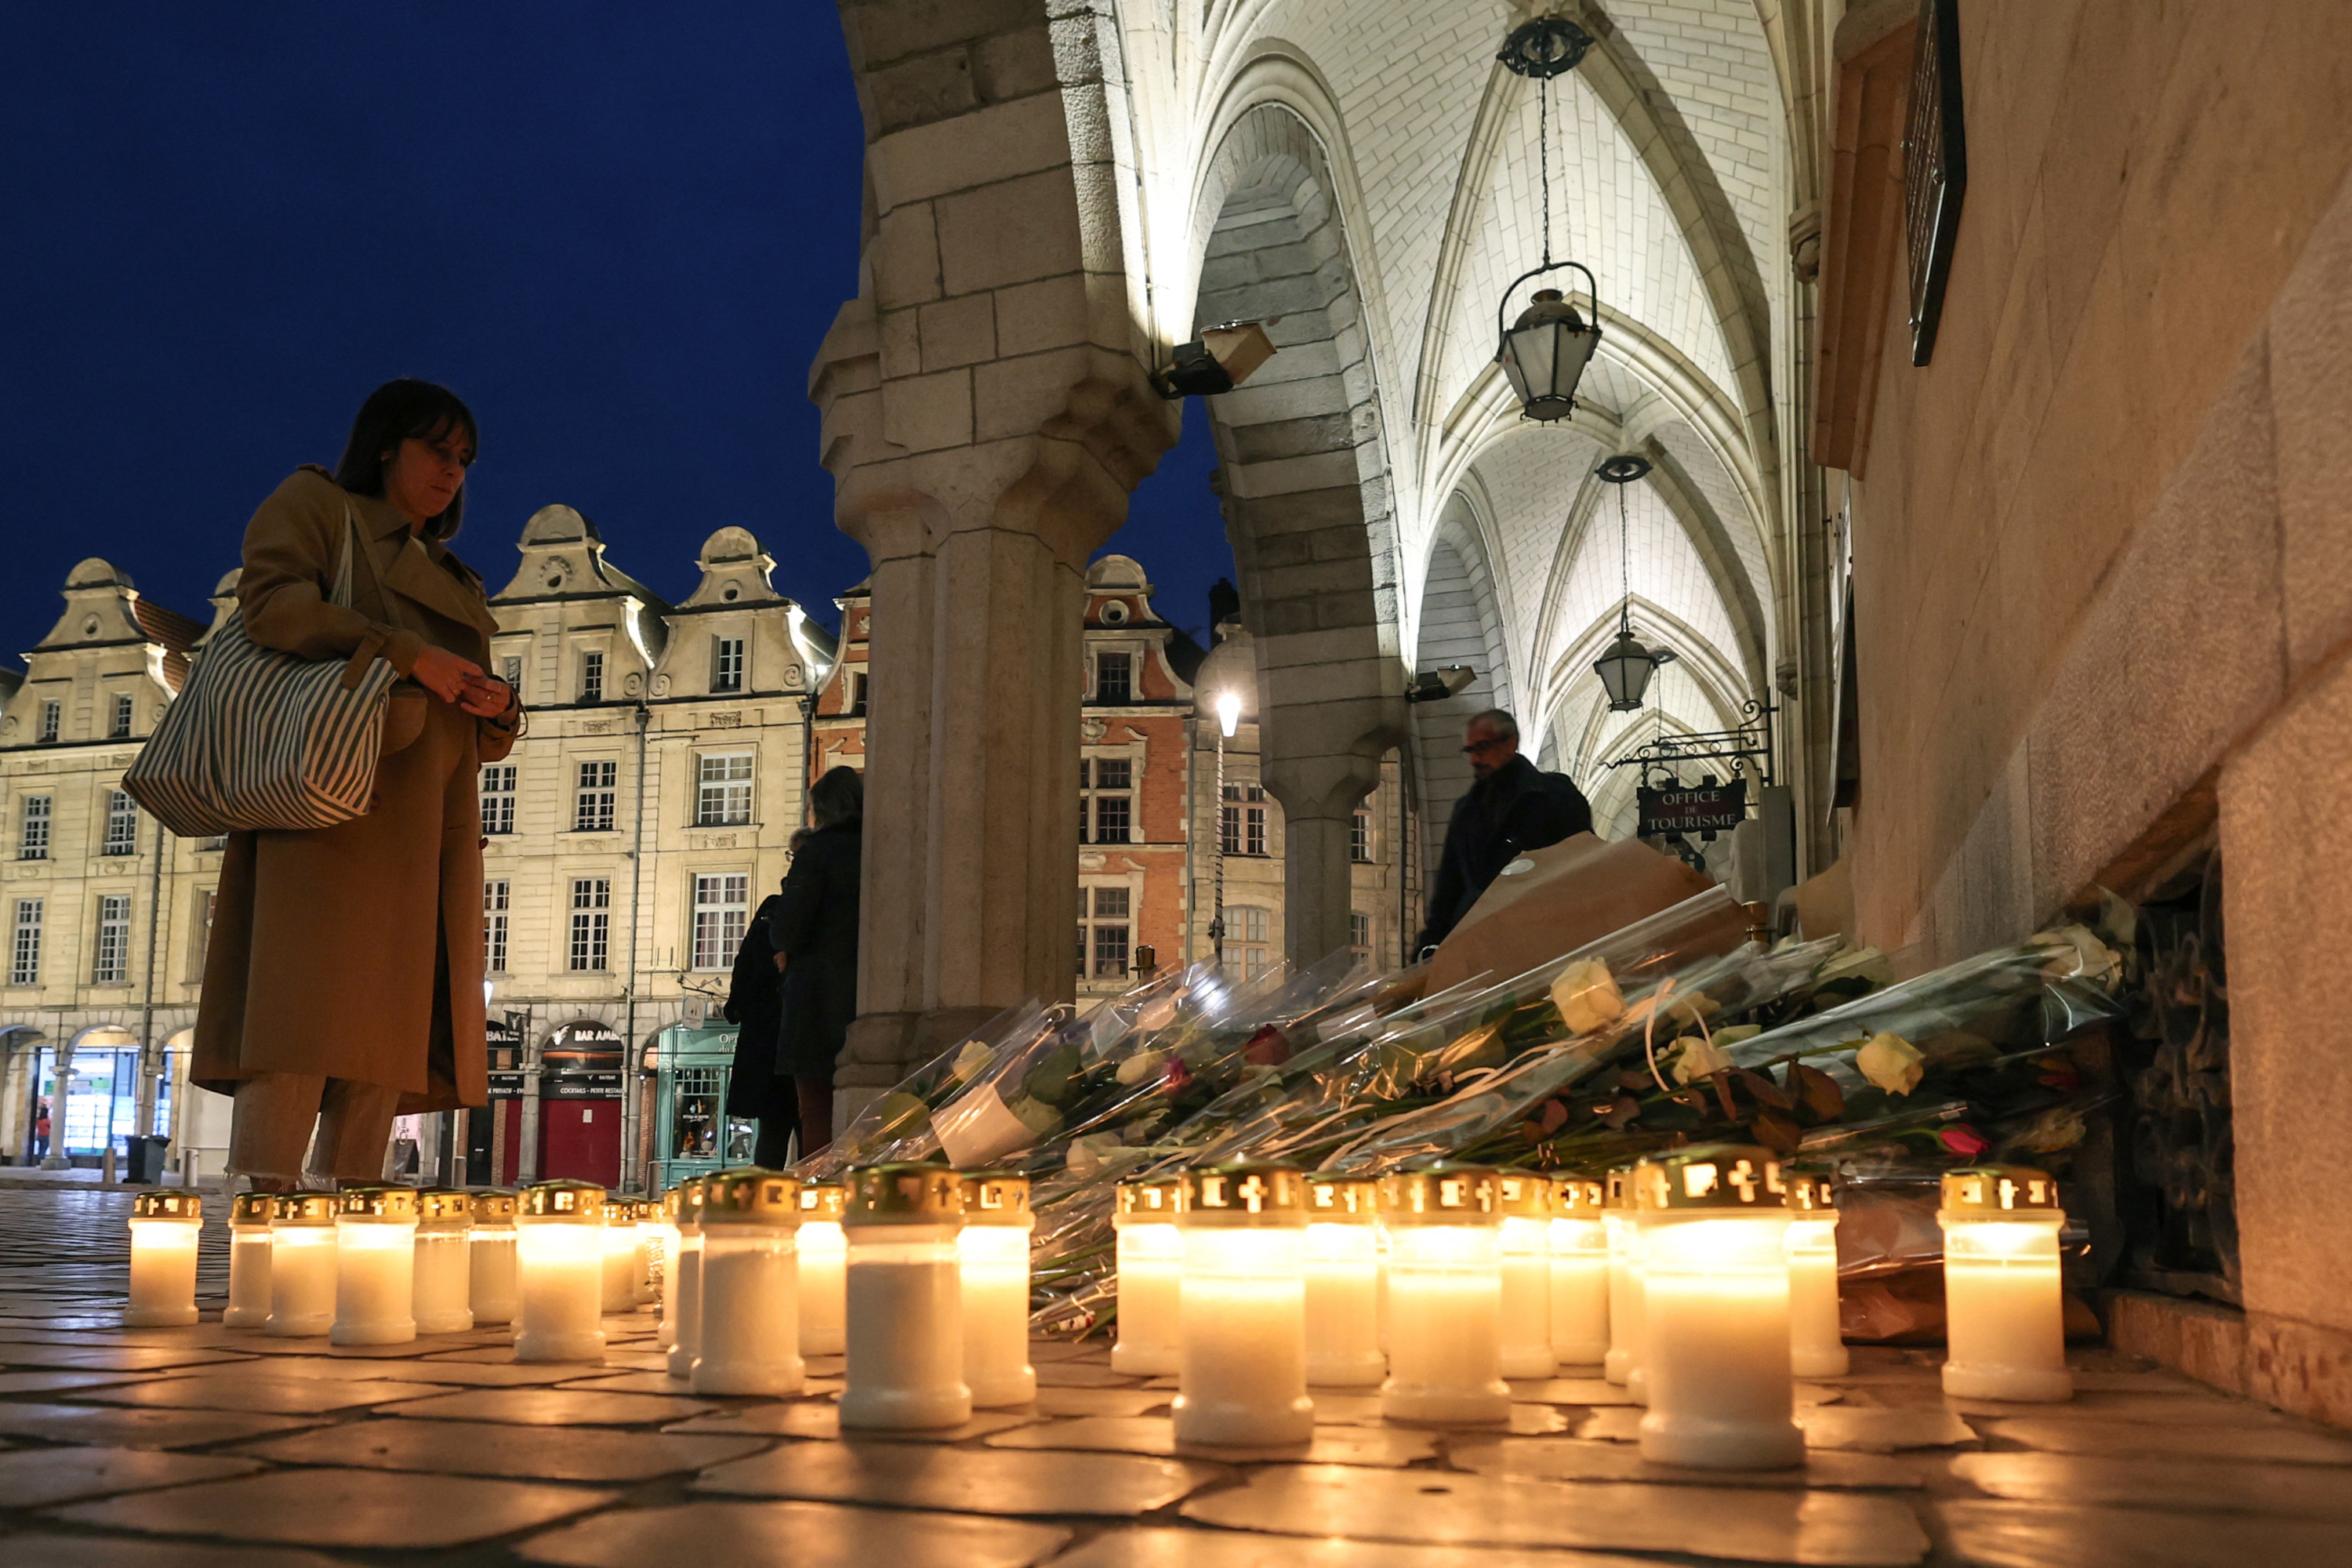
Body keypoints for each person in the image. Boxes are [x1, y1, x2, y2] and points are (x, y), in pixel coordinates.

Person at [192, 379, 521, 1190]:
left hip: (429, 829)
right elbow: (271, 607)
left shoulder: (461, 577)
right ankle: (266, 1232)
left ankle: (350, 1242)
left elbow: (475, 729)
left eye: (465, 459)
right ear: (385, 444)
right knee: (301, 1030)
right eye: (437, 450)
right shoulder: (316, 504)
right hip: (326, 808)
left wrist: (501, 706)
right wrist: (406, 652)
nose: (453, 471)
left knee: (386, 1049)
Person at [1414, 708, 1593, 956]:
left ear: (1511, 743)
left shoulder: (1555, 797)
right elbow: (1449, 887)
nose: (1475, 759)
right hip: (1481, 945)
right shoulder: (1467, 811)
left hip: (1541, 941)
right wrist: (1430, 946)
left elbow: (1582, 868)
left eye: (1483, 747)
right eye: (1470, 751)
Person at [765, 768, 863, 1155]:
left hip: (817, 999)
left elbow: (788, 930)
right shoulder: (881, 848)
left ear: (820, 810)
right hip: (869, 997)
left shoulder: (817, 853)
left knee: (817, 1109)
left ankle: (822, 1194)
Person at [724, 888, 797, 1167]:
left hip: (767, 1046)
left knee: (774, 1130)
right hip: (793, 1039)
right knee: (808, 1124)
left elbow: (741, 976)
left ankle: (766, 1199)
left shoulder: (769, 916)